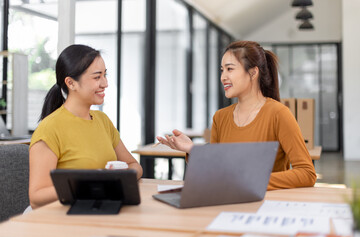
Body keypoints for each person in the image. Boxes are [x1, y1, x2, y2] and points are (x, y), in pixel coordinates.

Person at [157, 40, 317, 190]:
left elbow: (307, 173)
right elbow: (217, 170)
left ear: (253, 73)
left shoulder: (279, 114)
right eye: (222, 70)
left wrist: (252, 180)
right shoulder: (220, 117)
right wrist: (193, 149)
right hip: (227, 204)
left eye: (230, 69)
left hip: (266, 207)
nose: (223, 77)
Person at [29, 44, 143, 209]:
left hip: (99, 208)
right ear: (71, 83)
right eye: (97, 77)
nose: (105, 83)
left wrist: (118, 177)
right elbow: (36, 197)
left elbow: (135, 166)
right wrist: (89, 185)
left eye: (105, 75)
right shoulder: (49, 129)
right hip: (63, 219)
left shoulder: (103, 120)